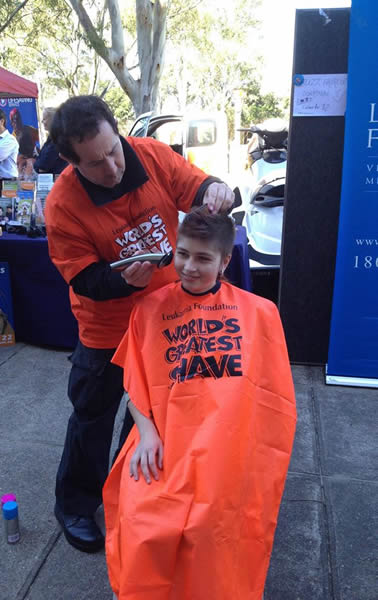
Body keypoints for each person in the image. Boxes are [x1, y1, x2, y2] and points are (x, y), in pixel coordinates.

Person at [44, 94, 234, 553]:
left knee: (149, 423)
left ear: (118, 130)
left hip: (168, 321)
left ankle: (130, 493)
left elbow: (201, 188)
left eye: (113, 150)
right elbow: (84, 278)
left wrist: (217, 190)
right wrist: (124, 281)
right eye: (95, 163)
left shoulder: (150, 154)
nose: (111, 167)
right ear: (71, 162)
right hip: (106, 331)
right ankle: (74, 503)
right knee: (93, 416)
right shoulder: (62, 204)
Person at [104, 206, 297, 600]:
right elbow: (134, 382)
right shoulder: (148, 308)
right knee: (142, 522)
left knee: (218, 533)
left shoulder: (261, 314)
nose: (190, 266)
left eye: (204, 258)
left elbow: (272, 398)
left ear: (226, 261)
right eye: (183, 253)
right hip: (164, 440)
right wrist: (145, 434)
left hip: (228, 446)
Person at [33, 107, 67, 175]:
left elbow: (43, 166)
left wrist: (37, 165)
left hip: (55, 180)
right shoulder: (52, 137)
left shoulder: (57, 139)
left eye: (44, 119)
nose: (42, 121)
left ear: (52, 119)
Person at [9, 107, 39, 178]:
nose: (16, 122)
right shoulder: (11, 137)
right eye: (13, 120)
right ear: (11, 122)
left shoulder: (30, 130)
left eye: (17, 119)